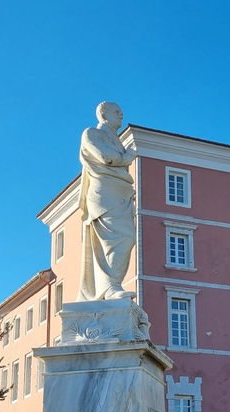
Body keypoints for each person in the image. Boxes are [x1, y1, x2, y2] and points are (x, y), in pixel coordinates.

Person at [77, 101, 139, 301]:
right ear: (103, 114)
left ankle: (112, 286)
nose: (121, 114)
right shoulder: (92, 134)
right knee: (118, 238)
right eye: (116, 111)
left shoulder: (116, 140)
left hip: (121, 192)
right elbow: (106, 157)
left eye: (121, 111)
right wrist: (128, 156)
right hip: (104, 193)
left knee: (126, 238)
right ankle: (110, 286)